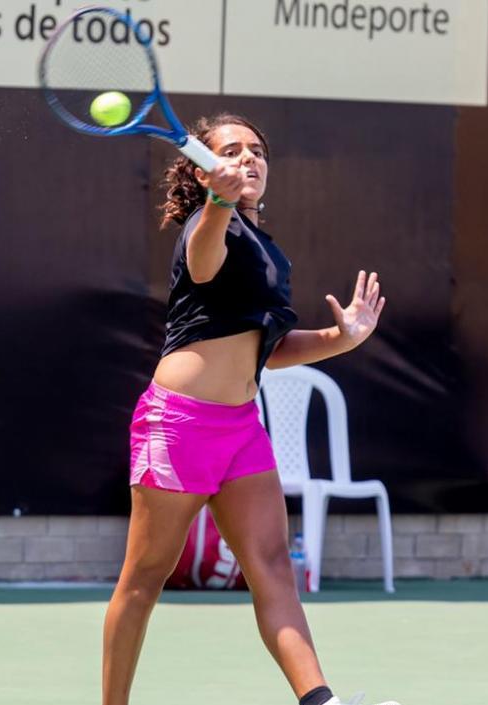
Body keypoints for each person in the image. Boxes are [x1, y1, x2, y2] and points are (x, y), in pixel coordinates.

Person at [102, 114, 395, 705]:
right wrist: (216, 202)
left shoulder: (268, 252)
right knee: (143, 581)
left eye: (257, 150)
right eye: (232, 151)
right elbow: (205, 263)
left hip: (240, 429)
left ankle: (320, 702)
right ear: (204, 169)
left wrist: (344, 340)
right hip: (178, 423)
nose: (249, 159)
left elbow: (268, 350)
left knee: (273, 567)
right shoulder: (204, 227)